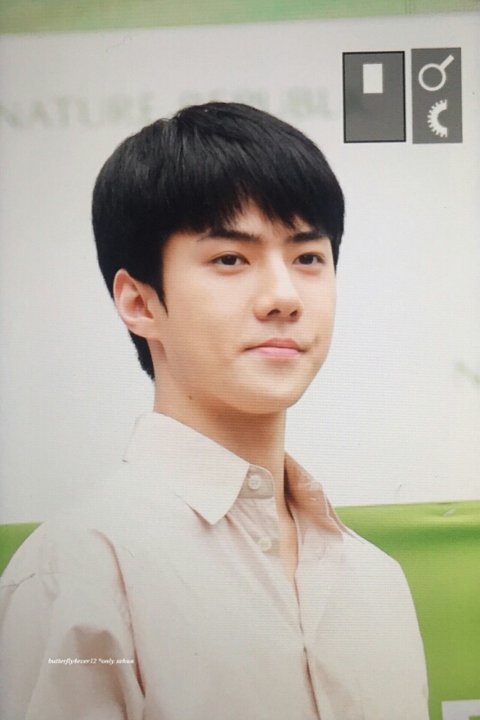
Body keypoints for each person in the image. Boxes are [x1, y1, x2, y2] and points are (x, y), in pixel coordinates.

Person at [0, 102, 429, 719]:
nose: (283, 296)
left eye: (308, 258)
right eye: (231, 258)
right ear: (139, 302)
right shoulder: (78, 575)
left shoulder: (375, 580)